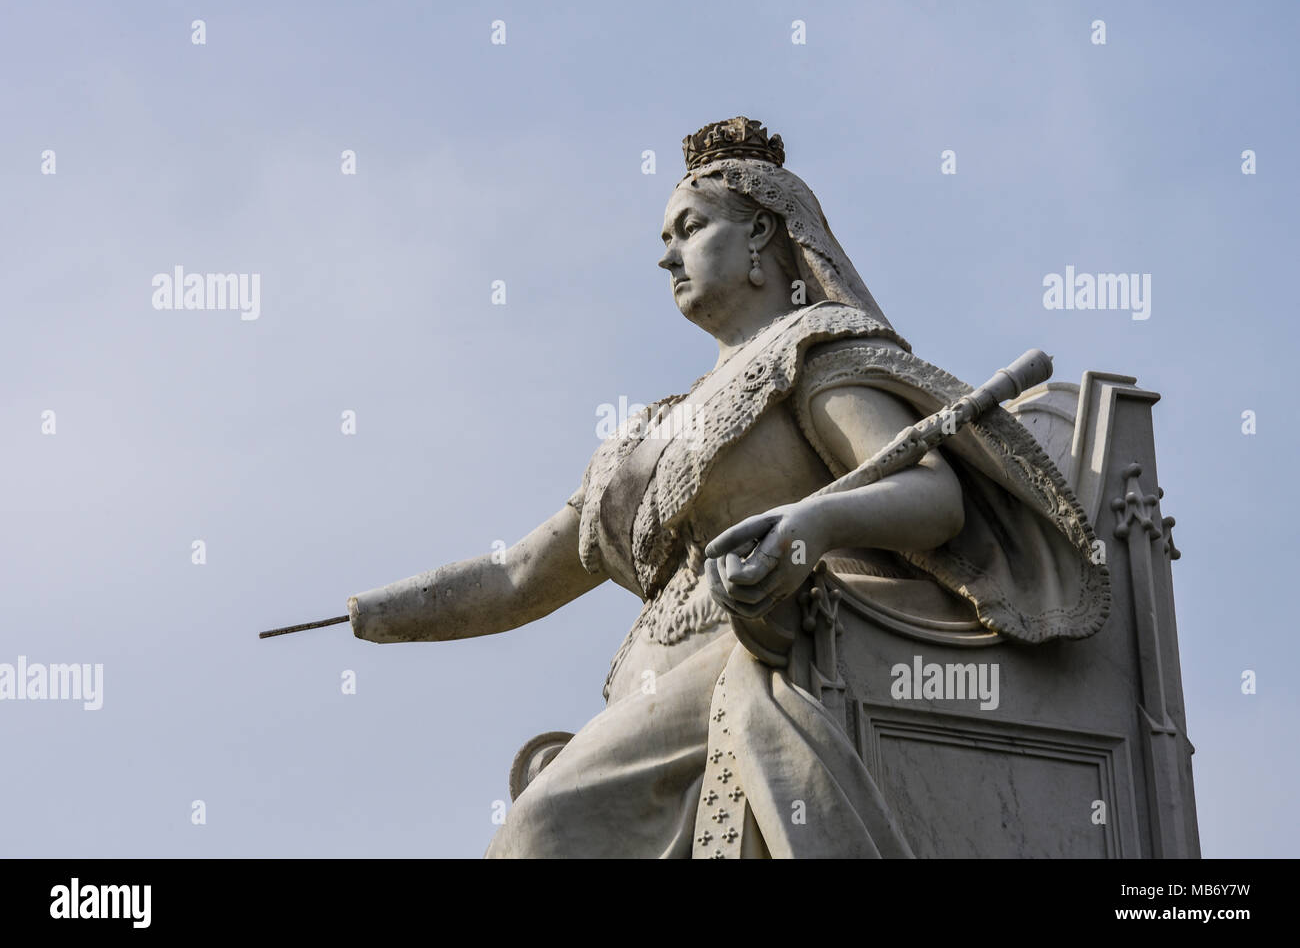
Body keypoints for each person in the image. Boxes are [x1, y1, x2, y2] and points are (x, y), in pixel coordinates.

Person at [347, 117, 1108, 858]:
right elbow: (516, 577)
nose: (667, 256)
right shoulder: (650, 432)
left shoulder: (811, 356)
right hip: (642, 702)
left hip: (745, 665)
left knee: (541, 831)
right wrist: (375, 614)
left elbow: (935, 497)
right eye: (666, 239)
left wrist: (810, 526)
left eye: (690, 227)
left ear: (761, 237)